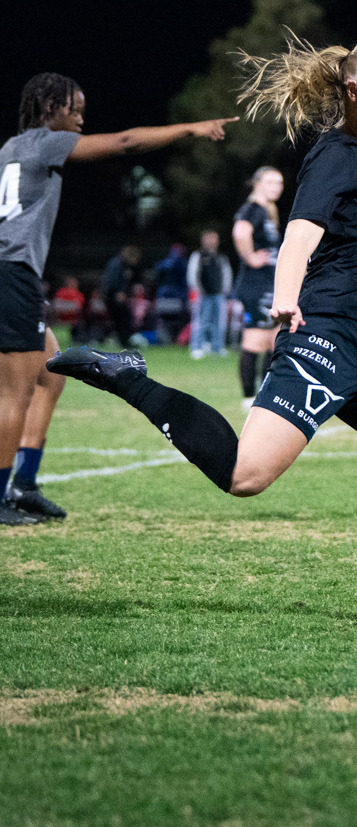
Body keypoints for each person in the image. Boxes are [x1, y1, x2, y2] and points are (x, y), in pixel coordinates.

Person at [49, 36, 357, 631]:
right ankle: (129, 379)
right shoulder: (335, 153)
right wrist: (285, 295)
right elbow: (298, 235)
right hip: (327, 338)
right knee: (245, 475)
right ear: (354, 91)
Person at [0, 71, 236, 526]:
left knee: (51, 376)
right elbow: (126, 142)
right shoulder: (44, 142)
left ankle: (24, 485)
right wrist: (190, 129)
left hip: (11, 274)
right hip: (12, 274)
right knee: (14, 393)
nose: (80, 119)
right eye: (74, 109)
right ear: (50, 110)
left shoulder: (10, 148)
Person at [233, 167, 283, 408]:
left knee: (274, 340)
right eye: (270, 182)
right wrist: (250, 257)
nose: (276, 187)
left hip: (268, 285)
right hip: (256, 287)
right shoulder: (253, 208)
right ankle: (249, 397)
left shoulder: (267, 211)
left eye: (279, 182)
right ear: (257, 184)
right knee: (255, 340)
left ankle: (264, 396)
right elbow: (240, 232)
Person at [187, 230, 233, 358]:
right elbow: (192, 273)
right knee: (201, 321)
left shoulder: (221, 257)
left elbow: (226, 274)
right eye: (209, 238)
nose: (212, 241)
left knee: (219, 322)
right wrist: (195, 289)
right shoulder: (198, 256)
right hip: (203, 294)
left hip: (218, 294)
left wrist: (226, 289)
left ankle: (217, 347)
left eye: (214, 239)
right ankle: (197, 346)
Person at [103, 245, 142, 348]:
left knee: (124, 320)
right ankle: (123, 342)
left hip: (118, 297)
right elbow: (111, 282)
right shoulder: (116, 264)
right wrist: (118, 292)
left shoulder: (124, 265)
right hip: (113, 297)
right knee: (122, 320)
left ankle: (124, 341)